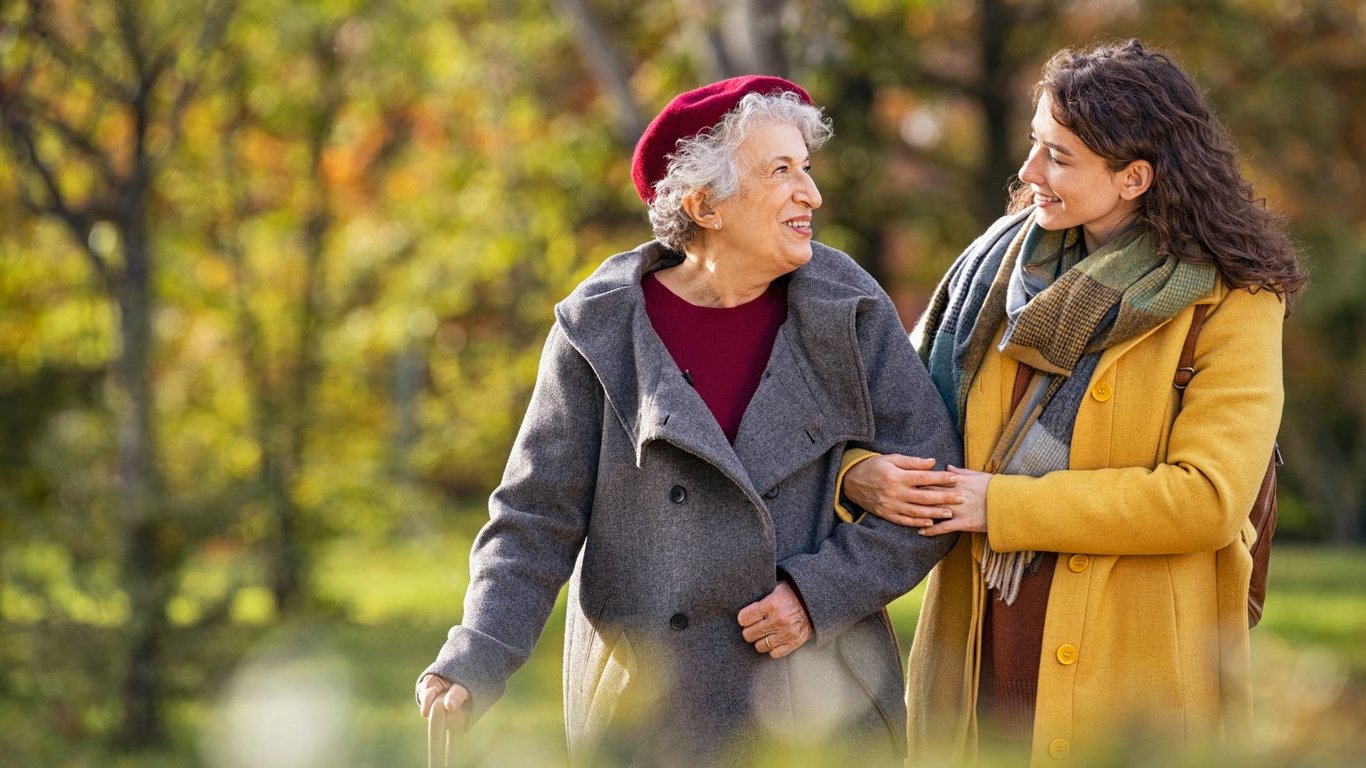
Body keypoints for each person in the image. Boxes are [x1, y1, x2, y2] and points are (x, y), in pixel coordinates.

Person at [415, 75, 962, 766]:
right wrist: (474, 658)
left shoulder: (847, 308)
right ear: (705, 204)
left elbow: (932, 484)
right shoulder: (600, 329)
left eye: (807, 168)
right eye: (781, 171)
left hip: (820, 703)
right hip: (652, 713)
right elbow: (534, 519)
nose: (811, 194)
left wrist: (818, 592)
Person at [839, 40, 1307, 766]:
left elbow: (1208, 498)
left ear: (1134, 177)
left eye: (1058, 157)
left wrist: (1003, 506)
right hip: (977, 656)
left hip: (1134, 674)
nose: (1028, 174)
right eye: (1034, 146)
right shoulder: (991, 278)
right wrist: (858, 473)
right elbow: (888, 418)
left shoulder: (1234, 302)